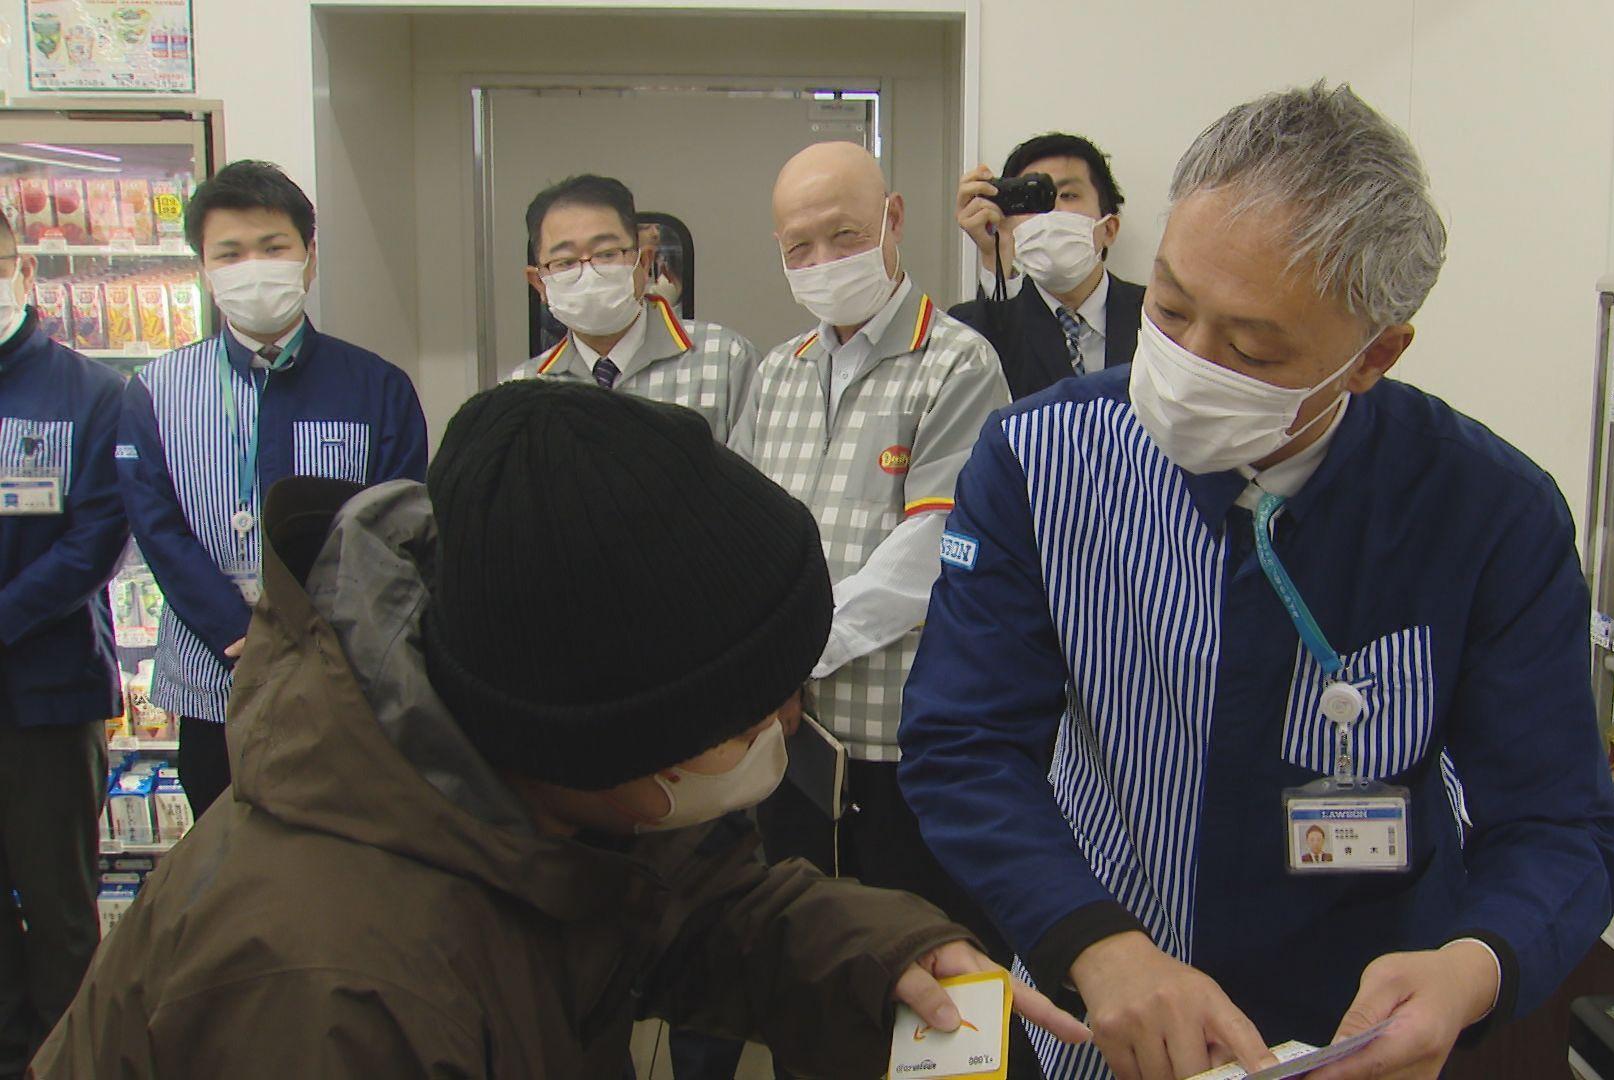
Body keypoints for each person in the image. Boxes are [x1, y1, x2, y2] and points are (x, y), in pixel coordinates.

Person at [32, 381, 1089, 1078]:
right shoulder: (330, 993)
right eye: (752, 709)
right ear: (598, 746)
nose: (787, 722)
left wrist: (882, 951)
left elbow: (685, 915)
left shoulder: (523, 797)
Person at [899, 83, 1614, 1080]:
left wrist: (1474, 965)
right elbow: (964, 742)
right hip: (1106, 1003)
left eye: (1250, 349)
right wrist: (1096, 946)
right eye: (1169, 307)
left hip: (1353, 1033)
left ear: (1374, 355)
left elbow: (1558, 826)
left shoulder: (1488, 512)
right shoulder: (1039, 461)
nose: (1190, 364)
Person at [729, 140, 1020, 1068]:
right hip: (790, 751)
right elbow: (741, 534)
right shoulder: (776, 373)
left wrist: (787, 652)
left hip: (906, 751)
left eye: (843, 235)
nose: (821, 264)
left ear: (893, 220)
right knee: (812, 982)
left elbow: (928, 556)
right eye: (797, 247)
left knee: (934, 1000)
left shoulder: (958, 362)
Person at [115, 160, 428, 817]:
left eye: (274, 247)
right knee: (220, 860)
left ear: (308, 258)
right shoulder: (157, 390)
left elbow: (395, 528)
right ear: (204, 267)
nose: (253, 266)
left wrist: (313, 627)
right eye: (229, 253)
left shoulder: (376, 387)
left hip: (342, 675)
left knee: (339, 863)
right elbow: (157, 525)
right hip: (212, 682)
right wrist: (236, 630)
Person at [0, 214, 128, 1080]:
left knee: (58, 907)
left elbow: (95, 541)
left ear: (22, 264)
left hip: (47, 693)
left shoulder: (88, 390)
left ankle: (71, 1062)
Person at [511, 175, 757, 444]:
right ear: (540, 284)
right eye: (566, 262)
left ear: (643, 262)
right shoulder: (521, 390)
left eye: (607, 254)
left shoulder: (726, 361)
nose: (588, 273)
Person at [949, 134, 1145, 400]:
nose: (1051, 210)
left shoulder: (1157, 316)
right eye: (1034, 198)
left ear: (1109, 229)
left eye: (1068, 194)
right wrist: (996, 255)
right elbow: (982, 398)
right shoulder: (972, 325)